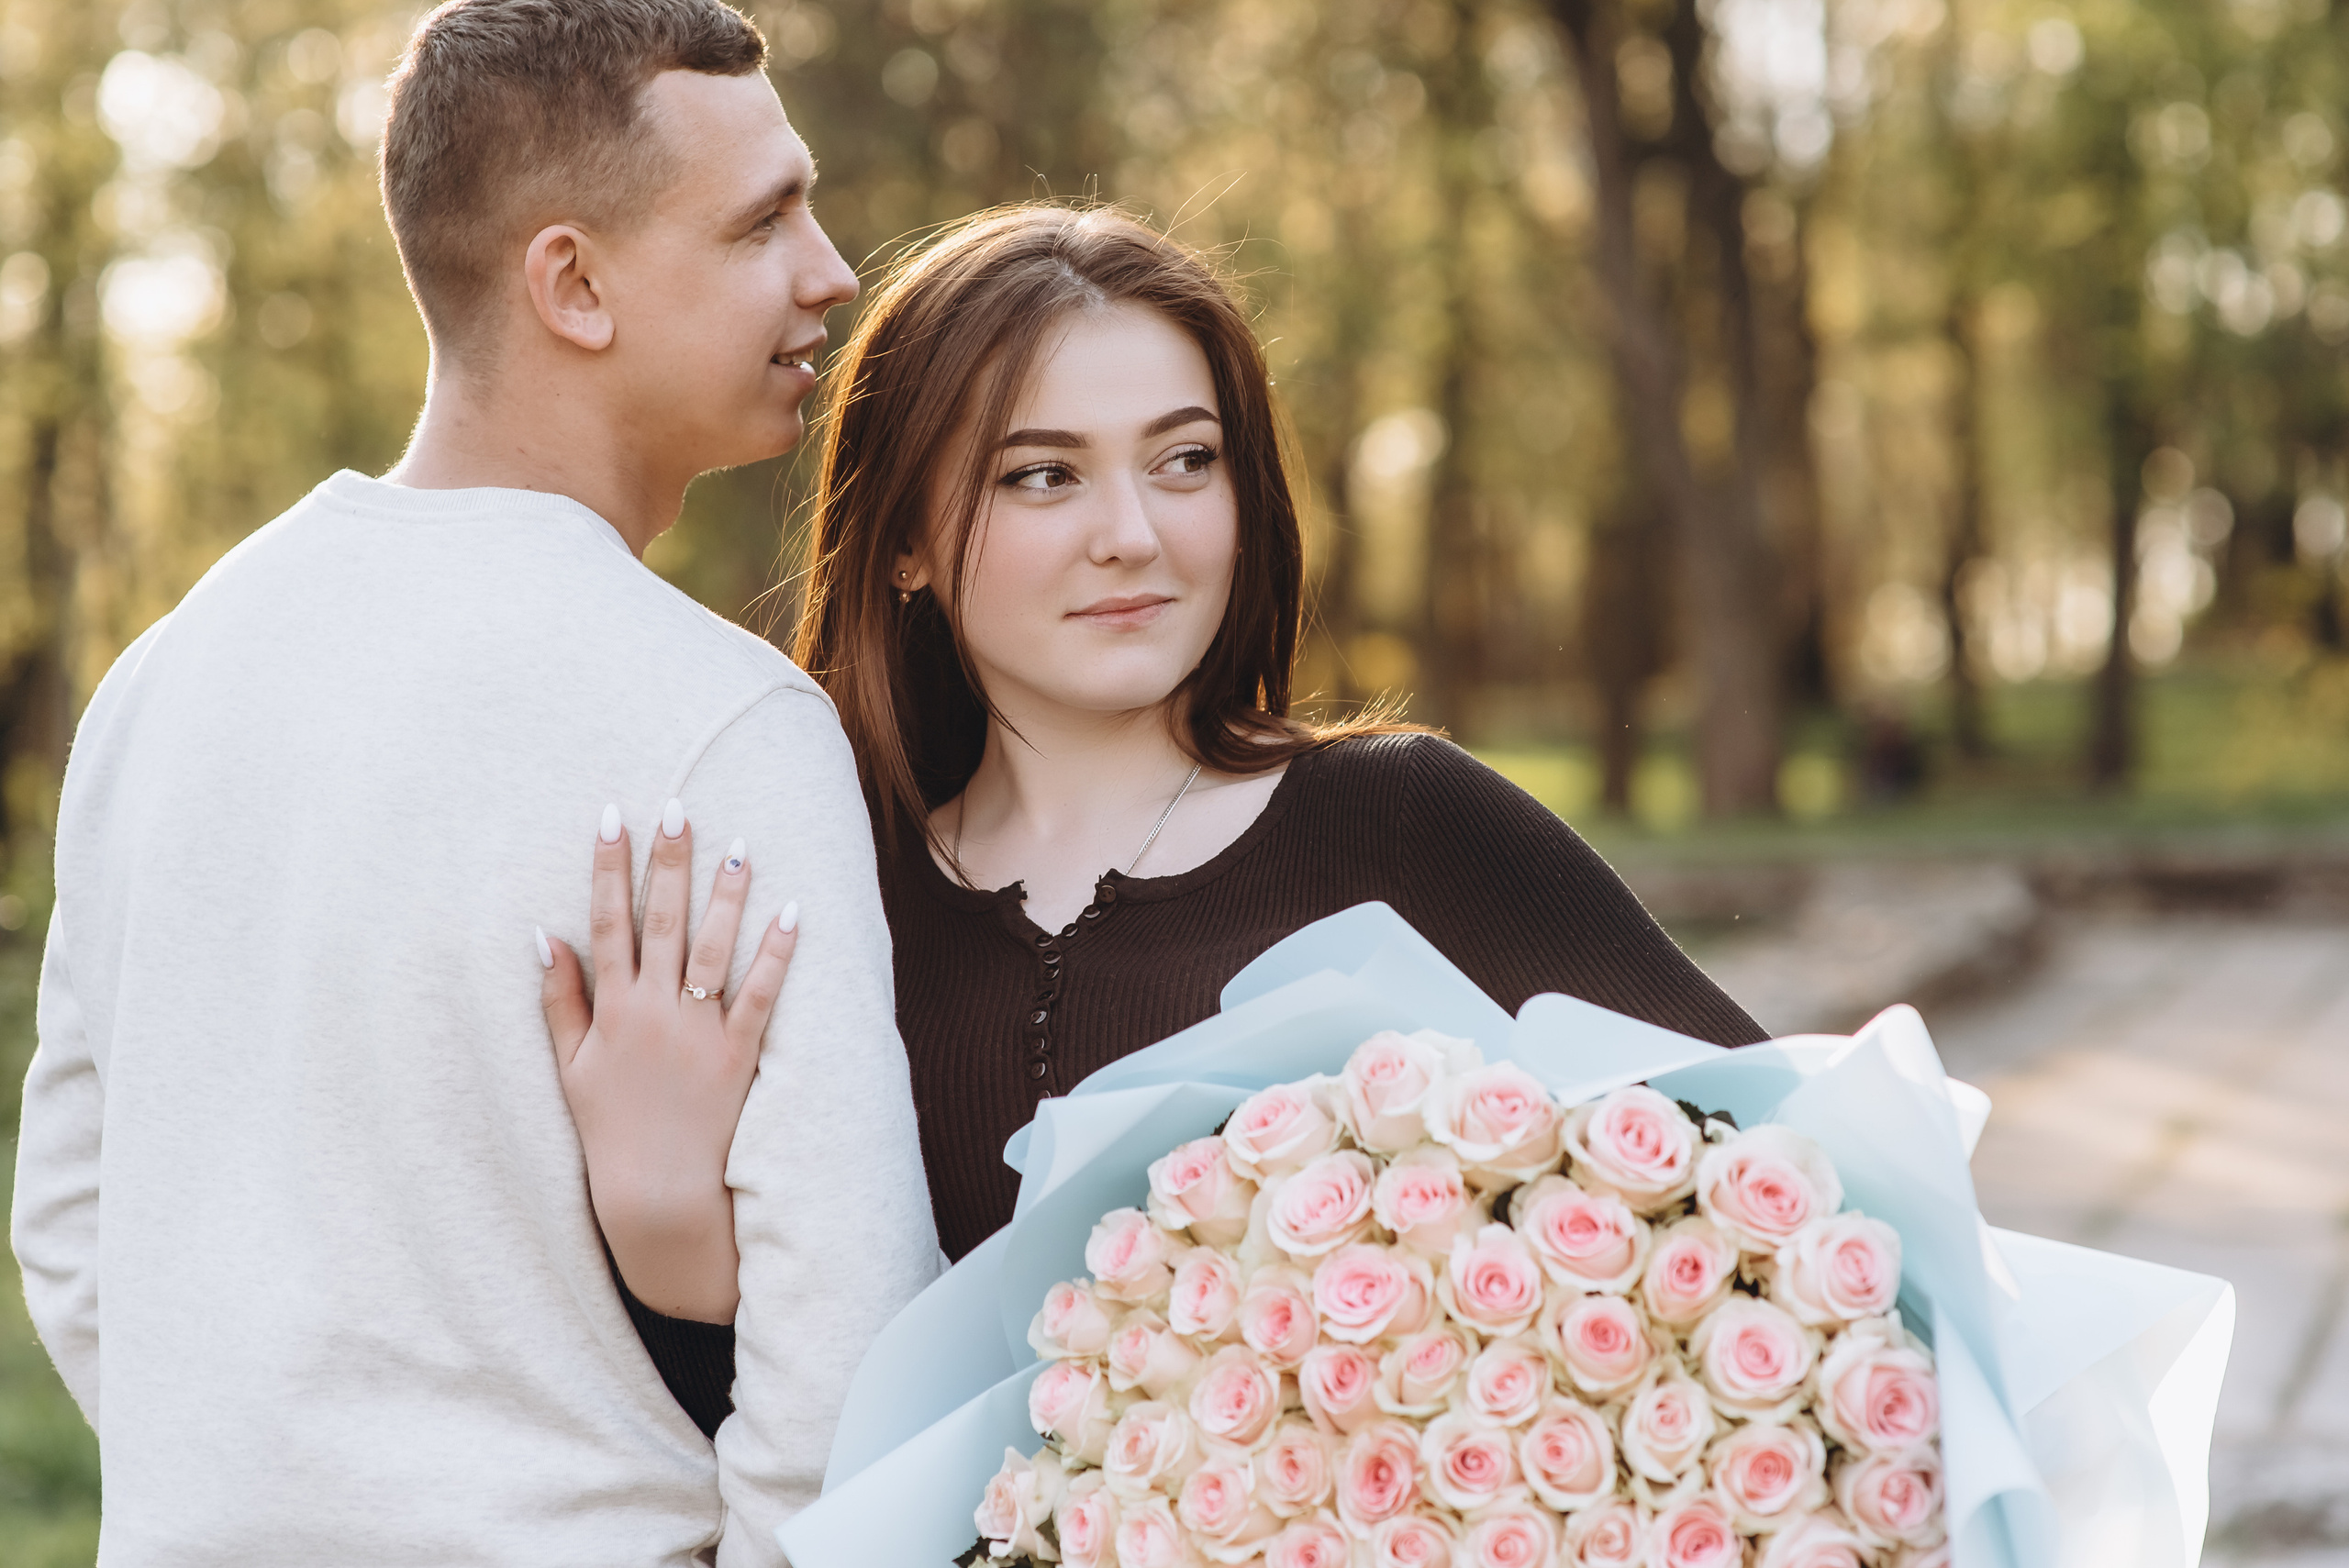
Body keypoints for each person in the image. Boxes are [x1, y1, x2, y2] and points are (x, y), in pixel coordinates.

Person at [546, 204, 1765, 1404]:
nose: (1133, 534)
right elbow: (763, 1447)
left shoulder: (1410, 823)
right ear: (905, 539)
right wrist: (666, 1243)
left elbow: (1787, 1196)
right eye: (1043, 475)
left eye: (1187, 460)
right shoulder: (821, 910)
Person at [8, 2, 934, 1562]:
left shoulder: (163, 679)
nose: (831, 271)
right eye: (765, 218)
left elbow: (72, 1227)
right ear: (572, 283)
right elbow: (848, 1335)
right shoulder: (726, 724)